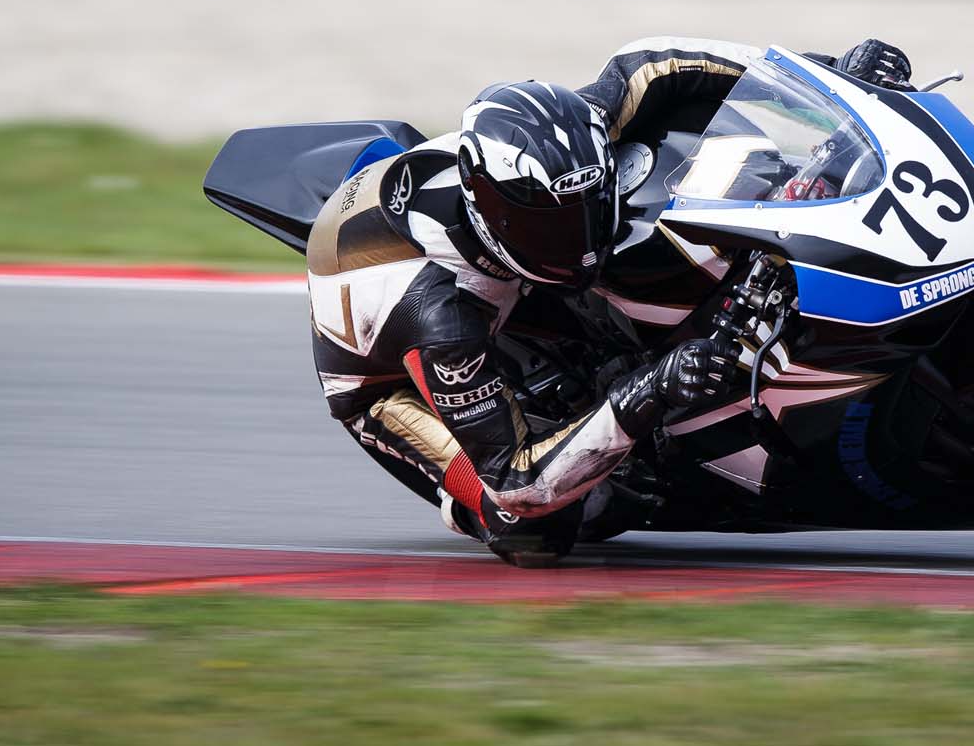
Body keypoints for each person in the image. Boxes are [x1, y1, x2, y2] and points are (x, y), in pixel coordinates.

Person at [305, 37, 914, 566]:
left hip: (503, 271)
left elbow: (659, 61)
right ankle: (468, 502)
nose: (581, 241)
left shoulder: (581, 134)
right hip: (393, 382)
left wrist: (833, 80)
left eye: (586, 210)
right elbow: (523, 479)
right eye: (555, 227)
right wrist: (653, 389)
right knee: (536, 527)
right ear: (497, 216)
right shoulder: (444, 319)